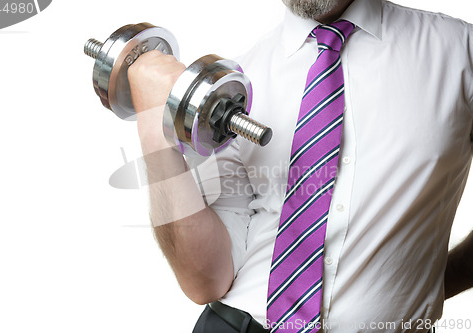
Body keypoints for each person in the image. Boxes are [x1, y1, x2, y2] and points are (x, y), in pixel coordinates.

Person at [127, 0, 473, 332]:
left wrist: (428, 290)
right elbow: (207, 281)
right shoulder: (234, 85)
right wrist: (153, 125)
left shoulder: (461, 51)